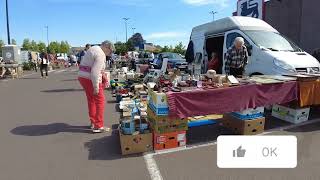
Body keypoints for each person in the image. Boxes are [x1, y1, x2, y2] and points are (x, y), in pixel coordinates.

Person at [78, 40, 115, 133]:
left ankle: (93, 122)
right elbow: (95, 72)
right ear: (107, 47)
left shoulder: (94, 48)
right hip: (90, 78)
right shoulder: (101, 54)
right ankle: (98, 126)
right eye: (110, 51)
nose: (109, 54)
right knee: (100, 101)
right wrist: (96, 87)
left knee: (91, 100)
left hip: (83, 77)